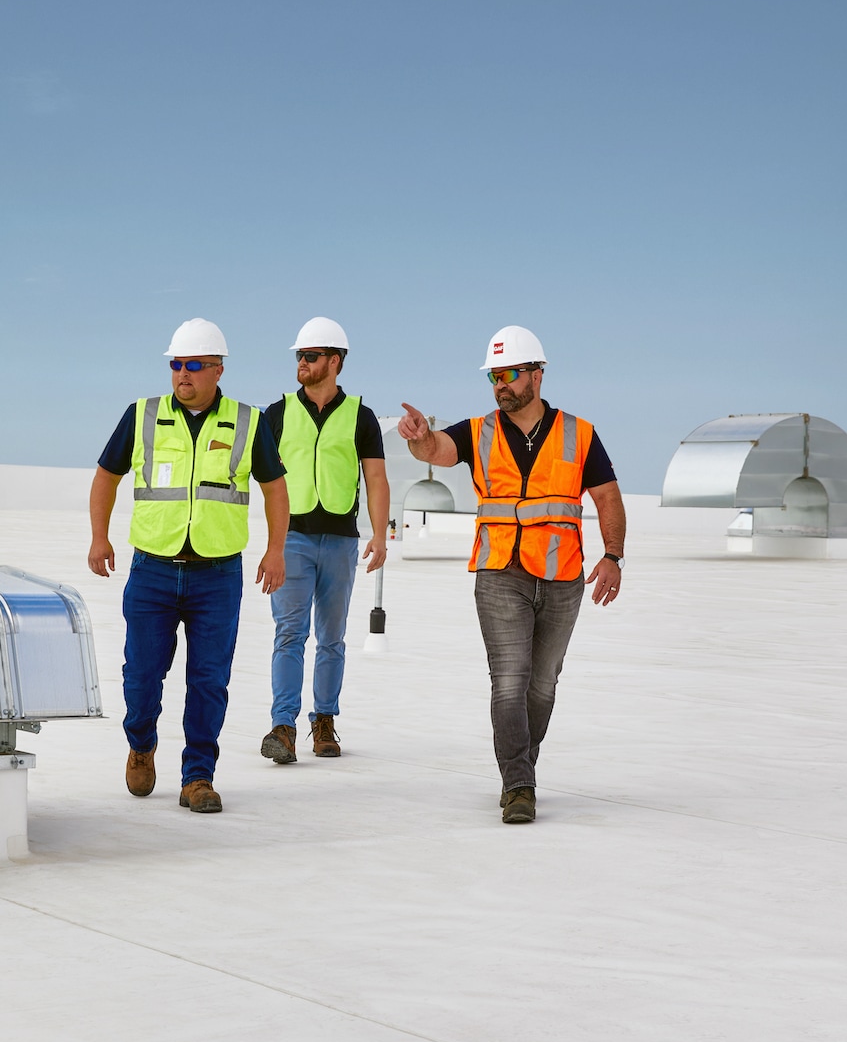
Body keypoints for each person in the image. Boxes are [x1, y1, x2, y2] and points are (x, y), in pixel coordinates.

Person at [396, 325, 626, 824]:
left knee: (542, 685)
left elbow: (607, 496)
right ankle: (518, 783)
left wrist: (613, 555)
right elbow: (437, 449)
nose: (500, 384)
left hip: (563, 576)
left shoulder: (578, 434)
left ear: (537, 376)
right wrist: (419, 440)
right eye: (493, 376)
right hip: (500, 572)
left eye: (509, 374)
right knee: (509, 681)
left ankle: (522, 764)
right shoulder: (478, 430)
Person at [89, 317, 290, 814]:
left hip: (217, 577)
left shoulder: (249, 421)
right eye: (176, 364)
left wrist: (275, 549)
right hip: (152, 571)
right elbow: (106, 476)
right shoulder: (142, 415)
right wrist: (99, 537)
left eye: (194, 365)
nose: (183, 374)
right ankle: (141, 742)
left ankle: (197, 777)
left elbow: (275, 490)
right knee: (140, 676)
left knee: (208, 681)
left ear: (218, 370)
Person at [259, 317, 390, 766]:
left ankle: (325, 720)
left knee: (331, 637)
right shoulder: (275, 415)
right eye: (299, 356)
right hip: (291, 539)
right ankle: (283, 726)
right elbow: (259, 478)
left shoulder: (361, 416)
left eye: (311, 356)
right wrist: (270, 544)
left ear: (334, 362)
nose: (302, 363)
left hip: (340, 541)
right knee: (289, 633)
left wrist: (379, 533)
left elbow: (375, 478)